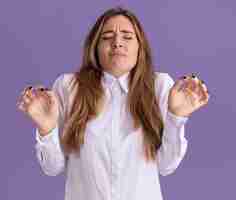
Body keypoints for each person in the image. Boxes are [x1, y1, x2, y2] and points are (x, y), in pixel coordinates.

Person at [17, 7, 209, 200]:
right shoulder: (69, 87)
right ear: (95, 47)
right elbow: (52, 167)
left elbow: (166, 166)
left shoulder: (159, 86)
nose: (117, 43)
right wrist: (46, 128)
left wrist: (177, 118)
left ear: (140, 47)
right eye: (107, 36)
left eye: (127, 37)